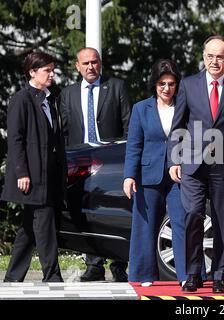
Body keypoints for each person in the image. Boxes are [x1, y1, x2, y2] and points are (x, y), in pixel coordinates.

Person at [168, 36, 224, 293]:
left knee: (222, 221)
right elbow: (178, 125)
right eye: (210, 56)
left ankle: (218, 275)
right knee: (193, 213)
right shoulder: (188, 85)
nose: (214, 61)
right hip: (192, 165)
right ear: (203, 57)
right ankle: (194, 273)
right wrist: (174, 158)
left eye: (220, 57)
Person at [60, 47, 132, 282]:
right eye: (86, 63)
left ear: (100, 63)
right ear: (77, 66)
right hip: (81, 165)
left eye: (95, 62)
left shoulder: (116, 87)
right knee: (86, 214)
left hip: (112, 162)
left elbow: (128, 124)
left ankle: (119, 265)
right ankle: (94, 265)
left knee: (117, 211)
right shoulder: (68, 93)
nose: (91, 67)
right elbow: (64, 131)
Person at [1, 51, 66, 282]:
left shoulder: (51, 97)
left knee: (29, 229)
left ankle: (12, 277)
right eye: (47, 70)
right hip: (32, 175)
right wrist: (22, 172)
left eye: (52, 69)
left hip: (49, 174)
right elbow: (15, 139)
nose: (52, 74)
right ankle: (53, 275)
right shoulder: (22, 99)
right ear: (32, 72)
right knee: (44, 222)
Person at [123, 59, 187, 287]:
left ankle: (185, 276)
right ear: (154, 84)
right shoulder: (141, 108)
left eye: (171, 83)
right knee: (145, 225)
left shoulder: (184, 107)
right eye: (162, 84)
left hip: (178, 175)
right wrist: (129, 176)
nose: (167, 88)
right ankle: (144, 274)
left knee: (181, 222)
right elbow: (134, 145)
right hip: (148, 174)